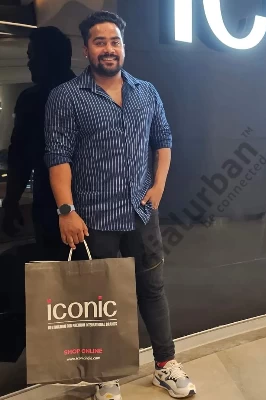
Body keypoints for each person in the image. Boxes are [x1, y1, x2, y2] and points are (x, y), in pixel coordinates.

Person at [44, 11, 196, 400]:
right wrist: (66, 210)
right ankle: (105, 375)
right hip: (94, 220)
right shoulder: (66, 97)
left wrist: (159, 184)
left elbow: (164, 139)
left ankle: (165, 364)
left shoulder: (146, 91)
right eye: (100, 42)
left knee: (153, 289)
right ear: (86, 49)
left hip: (141, 214)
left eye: (115, 42)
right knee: (100, 300)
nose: (108, 49)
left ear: (123, 47)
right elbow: (58, 157)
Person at [2, 26, 75, 261]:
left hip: (49, 207)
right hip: (94, 208)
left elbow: (20, 159)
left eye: (33, 56)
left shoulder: (32, 100)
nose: (29, 63)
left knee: (53, 273)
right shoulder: (94, 94)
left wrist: (10, 203)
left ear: (50, 58)